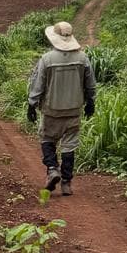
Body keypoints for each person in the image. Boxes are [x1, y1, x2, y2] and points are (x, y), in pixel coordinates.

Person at [27, 21, 97, 196]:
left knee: (47, 139)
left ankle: (52, 169)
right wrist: (91, 102)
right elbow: (90, 84)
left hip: (52, 109)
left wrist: (31, 104)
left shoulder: (47, 59)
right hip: (74, 109)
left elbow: (38, 84)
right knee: (69, 145)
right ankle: (66, 183)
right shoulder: (82, 58)